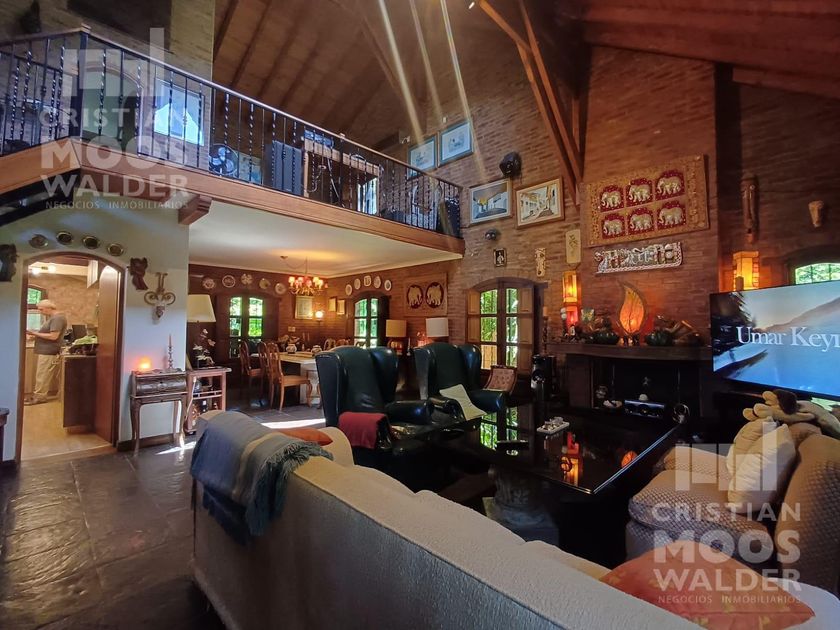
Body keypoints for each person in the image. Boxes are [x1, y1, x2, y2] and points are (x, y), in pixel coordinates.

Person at [25, 299, 67, 405]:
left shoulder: (57, 318)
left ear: (49, 308)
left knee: (43, 375)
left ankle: (40, 397)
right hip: (46, 350)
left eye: (41, 309)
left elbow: (53, 336)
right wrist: (35, 336)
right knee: (41, 374)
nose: (40, 312)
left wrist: (34, 333)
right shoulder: (53, 318)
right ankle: (38, 395)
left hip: (49, 351)